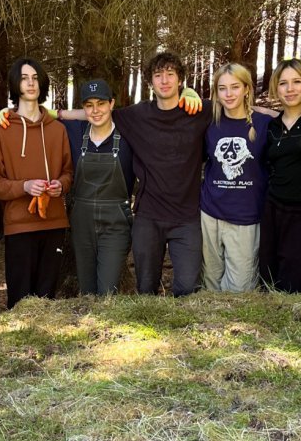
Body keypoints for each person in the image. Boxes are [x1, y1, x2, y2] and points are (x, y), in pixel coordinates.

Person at [108, 51, 209, 296]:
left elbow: (238, 107)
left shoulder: (200, 111)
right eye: (158, 75)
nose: (164, 80)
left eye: (170, 74)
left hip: (187, 218)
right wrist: (47, 114)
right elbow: (97, 113)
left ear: (180, 79)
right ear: (150, 82)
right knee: (146, 288)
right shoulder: (137, 115)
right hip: (149, 217)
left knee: (187, 288)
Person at [0, 56, 73, 309]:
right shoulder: (0, 129)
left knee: (47, 300)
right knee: (21, 303)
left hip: (54, 223)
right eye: (24, 78)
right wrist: (24, 186)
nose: (31, 83)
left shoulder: (58, 130)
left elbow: (68, 173)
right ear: (16, 84)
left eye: (35, 78)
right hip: (19, 226)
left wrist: (61, 185)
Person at [200, 63, 272, 292]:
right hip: (210, 212)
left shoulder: (264, 124)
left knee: (241, 289)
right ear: (216, 92)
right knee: (210, 281)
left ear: (246, 89)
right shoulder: (208, 123)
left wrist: (268, 111)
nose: (229, 94)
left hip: (246, 215)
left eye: (235, 87)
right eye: (222, 88)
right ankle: (211, 326)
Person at [258, 58, 301, 292]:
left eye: (296, 82)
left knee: (294, 285)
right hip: (273, 209)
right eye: (283, 83)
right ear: (276, 87)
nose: (290, 89)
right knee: (267, 279)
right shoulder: (272, 126)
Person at [61, 79, 135, 295]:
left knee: (107, 291)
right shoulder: (75, 131)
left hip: (116, 222)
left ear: (112, 104)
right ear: (83, 108)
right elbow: (39, 115)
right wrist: (8, 113)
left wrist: (188, 94)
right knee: (86, 289)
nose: (95, 111)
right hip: (82, 221)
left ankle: (104, 325)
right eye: (89, 105)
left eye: (101, 103)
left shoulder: (129, 134)